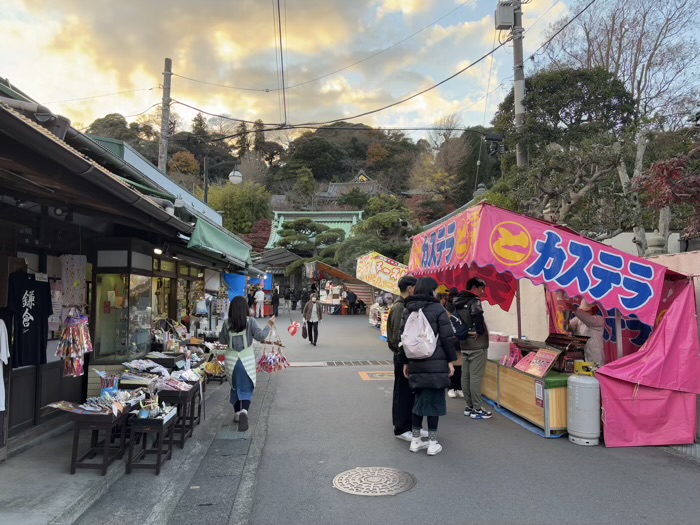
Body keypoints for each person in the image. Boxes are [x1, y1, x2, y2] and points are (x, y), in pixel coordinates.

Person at [399, 277, 457, 456]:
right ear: (431, 290)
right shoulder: (438, 309)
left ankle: (415, 441)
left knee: (419, 401)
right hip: (436, 362)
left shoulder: (408, 309)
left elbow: (403, 339)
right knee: (435, 403)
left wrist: (405, 363)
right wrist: (450, 361)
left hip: (415, 363)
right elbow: (447, 338)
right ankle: (432, 443)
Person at [219, 296, 274, 431]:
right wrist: (269, 325)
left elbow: (222, 340)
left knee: (235, 387)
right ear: (245, 308)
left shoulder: (226, 323)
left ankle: (237, 413)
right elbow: (261, 336)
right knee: (246, 388)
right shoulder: (251, 321)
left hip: (231, 361)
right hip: (246, 360)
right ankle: (244, 412)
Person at [387, 275, 425, 442]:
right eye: (415, 287)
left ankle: (409, 426)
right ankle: (401, 428)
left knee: (409, 393)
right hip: (402, 356)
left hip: (407, 355)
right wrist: (405, 356)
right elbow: (397, 337)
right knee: (402, 392)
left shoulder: (404, 306)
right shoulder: (399, 308)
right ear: (410, 289)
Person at [453, 277, 492, 420]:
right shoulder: (474, 301)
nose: (483, 292)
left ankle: (469, 406)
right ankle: (477, 408)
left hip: (464, 344)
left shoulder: (458, 301)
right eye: (481, 289)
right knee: (476, 376)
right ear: (474, 288)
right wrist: (480, 331)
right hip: (477, 344)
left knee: (466, 375)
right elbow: (477, 313)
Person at [569, 299, 605, 365]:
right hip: (582, 355)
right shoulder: (578, 319)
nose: (584, 312)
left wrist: (575, 310)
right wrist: (564, 321)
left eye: (586, 310)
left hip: (595, 357)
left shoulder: (599, 320)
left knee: (595, 372)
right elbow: (569, 327)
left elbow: (589, 320)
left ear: (593, 309)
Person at [445, 302, 464, 399]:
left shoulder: (457, 319)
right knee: (451, 368)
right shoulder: (445, 320)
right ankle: (451, 388)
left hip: (458, 345)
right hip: (450, 346)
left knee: (458, 368)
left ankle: (458, 387)